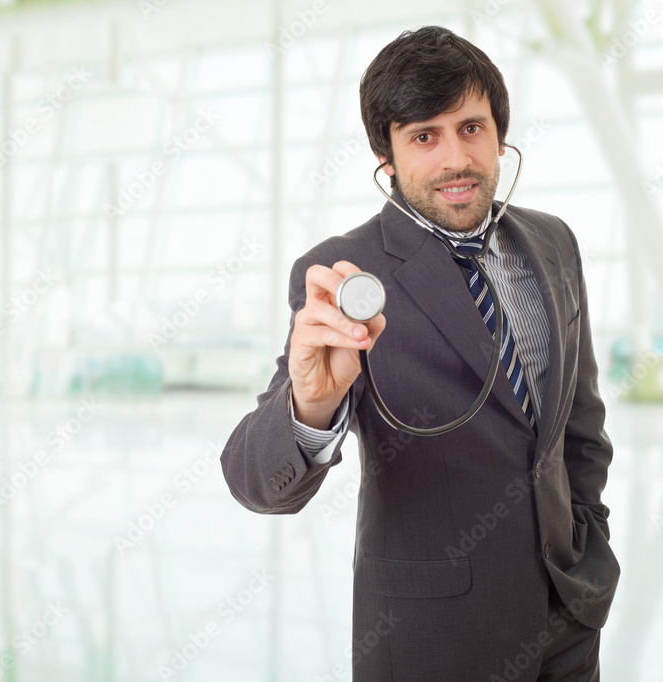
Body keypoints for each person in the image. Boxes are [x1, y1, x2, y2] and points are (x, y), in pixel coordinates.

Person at [220, 25, 618, 681]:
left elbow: (580, 423)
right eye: (424, 137)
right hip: (434, 636)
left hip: (570, 619)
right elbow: (254, 483)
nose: (455, 158)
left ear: (499, 135)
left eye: (470, 128)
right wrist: (310, 405)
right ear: (387, 157)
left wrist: (588, 542)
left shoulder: (553, 243)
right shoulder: (343, 272)